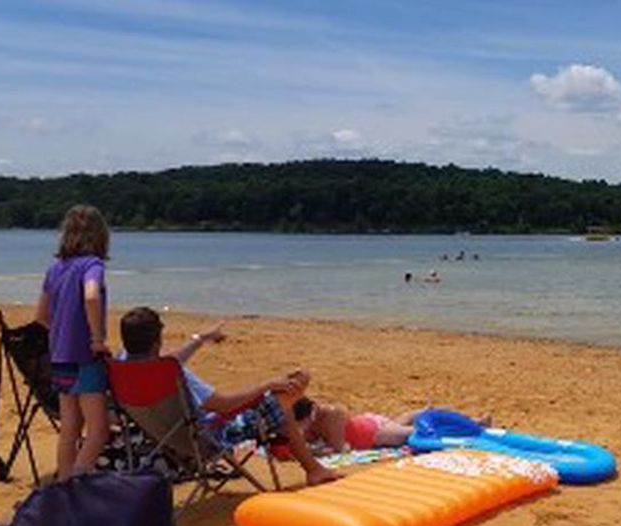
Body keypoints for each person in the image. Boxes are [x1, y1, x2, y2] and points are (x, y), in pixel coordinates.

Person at [118, 306, 342, 486]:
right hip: (209, 438)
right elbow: (223, 406)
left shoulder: (121, 366)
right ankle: (314, 470)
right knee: (285, 397)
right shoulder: (173, 372)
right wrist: (266, 384)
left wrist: (200, 338)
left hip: (165, 440)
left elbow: (169, 359)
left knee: (282, 403)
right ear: (158, 341)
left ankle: (312, 465)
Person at [35, 205, 111, 480]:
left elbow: (41, 316)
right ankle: (77, 479)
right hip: (84, 357)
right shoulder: (92, 265)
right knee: (99, 430)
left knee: (69, 426)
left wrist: (62, 332)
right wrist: (97, 338)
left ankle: (63, 482)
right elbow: (91, 296)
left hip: (59, 358)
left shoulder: (55, 268)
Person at [292, 397, 492, 453]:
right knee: (417, 416)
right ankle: (474, 420)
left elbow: (339, 448)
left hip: (374, 433)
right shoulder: (312, 420)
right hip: (371, 425)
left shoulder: (331, 414)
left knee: (420, 429)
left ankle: (474, 423)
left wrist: (312, 451)